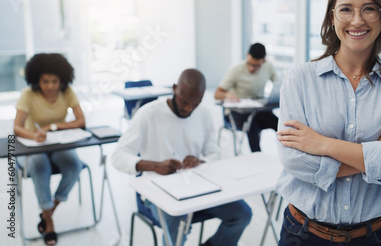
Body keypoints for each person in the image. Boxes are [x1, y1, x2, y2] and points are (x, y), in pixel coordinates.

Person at [275, 0, 381, 246]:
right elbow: (295, 161)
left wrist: (322, 144)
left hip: (377, 236)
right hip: (303, 234)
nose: (357, 20)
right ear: (332, 16)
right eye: (346, 9)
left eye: (369, 9)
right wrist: (377, 150)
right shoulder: (300, 80)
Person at [111, 69, 252, 246]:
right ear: (175, 88)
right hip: (156, 188)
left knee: (242, 214)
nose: (188, 108)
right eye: (184, 102)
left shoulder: (204, 114)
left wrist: (202, 161)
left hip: (197, 184)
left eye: (195, 104)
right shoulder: (148, 113)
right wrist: (154, 166)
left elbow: (214, 152)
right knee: (176, 218)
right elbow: (118, 156)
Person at [14, 53, 86, 246]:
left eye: (54, 81)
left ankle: (47, 212)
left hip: (58, 144)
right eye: (45, 81)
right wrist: (34, 135)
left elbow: (81, 121)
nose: (50, 86)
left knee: (74, 166)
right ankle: (50, 223)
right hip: (34, 146)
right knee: (39, 166)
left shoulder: (67, 91)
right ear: (36, 79)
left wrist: (53, 127)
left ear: (62, 79)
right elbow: (17, 128)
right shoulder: (28, 94)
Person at [214, 43, 280, 152]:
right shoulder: (235, 70)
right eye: (250, 64)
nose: (252, 68)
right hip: (237, 114)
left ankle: (287, 158)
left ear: (264, 61)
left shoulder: (268, 67)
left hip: (258, 110)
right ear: (246, 56)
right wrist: (226, 94)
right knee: (252, 125)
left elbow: (278, 84)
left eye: (256, 66)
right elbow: (217, 94)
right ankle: (258, 157)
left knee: (279, 124)